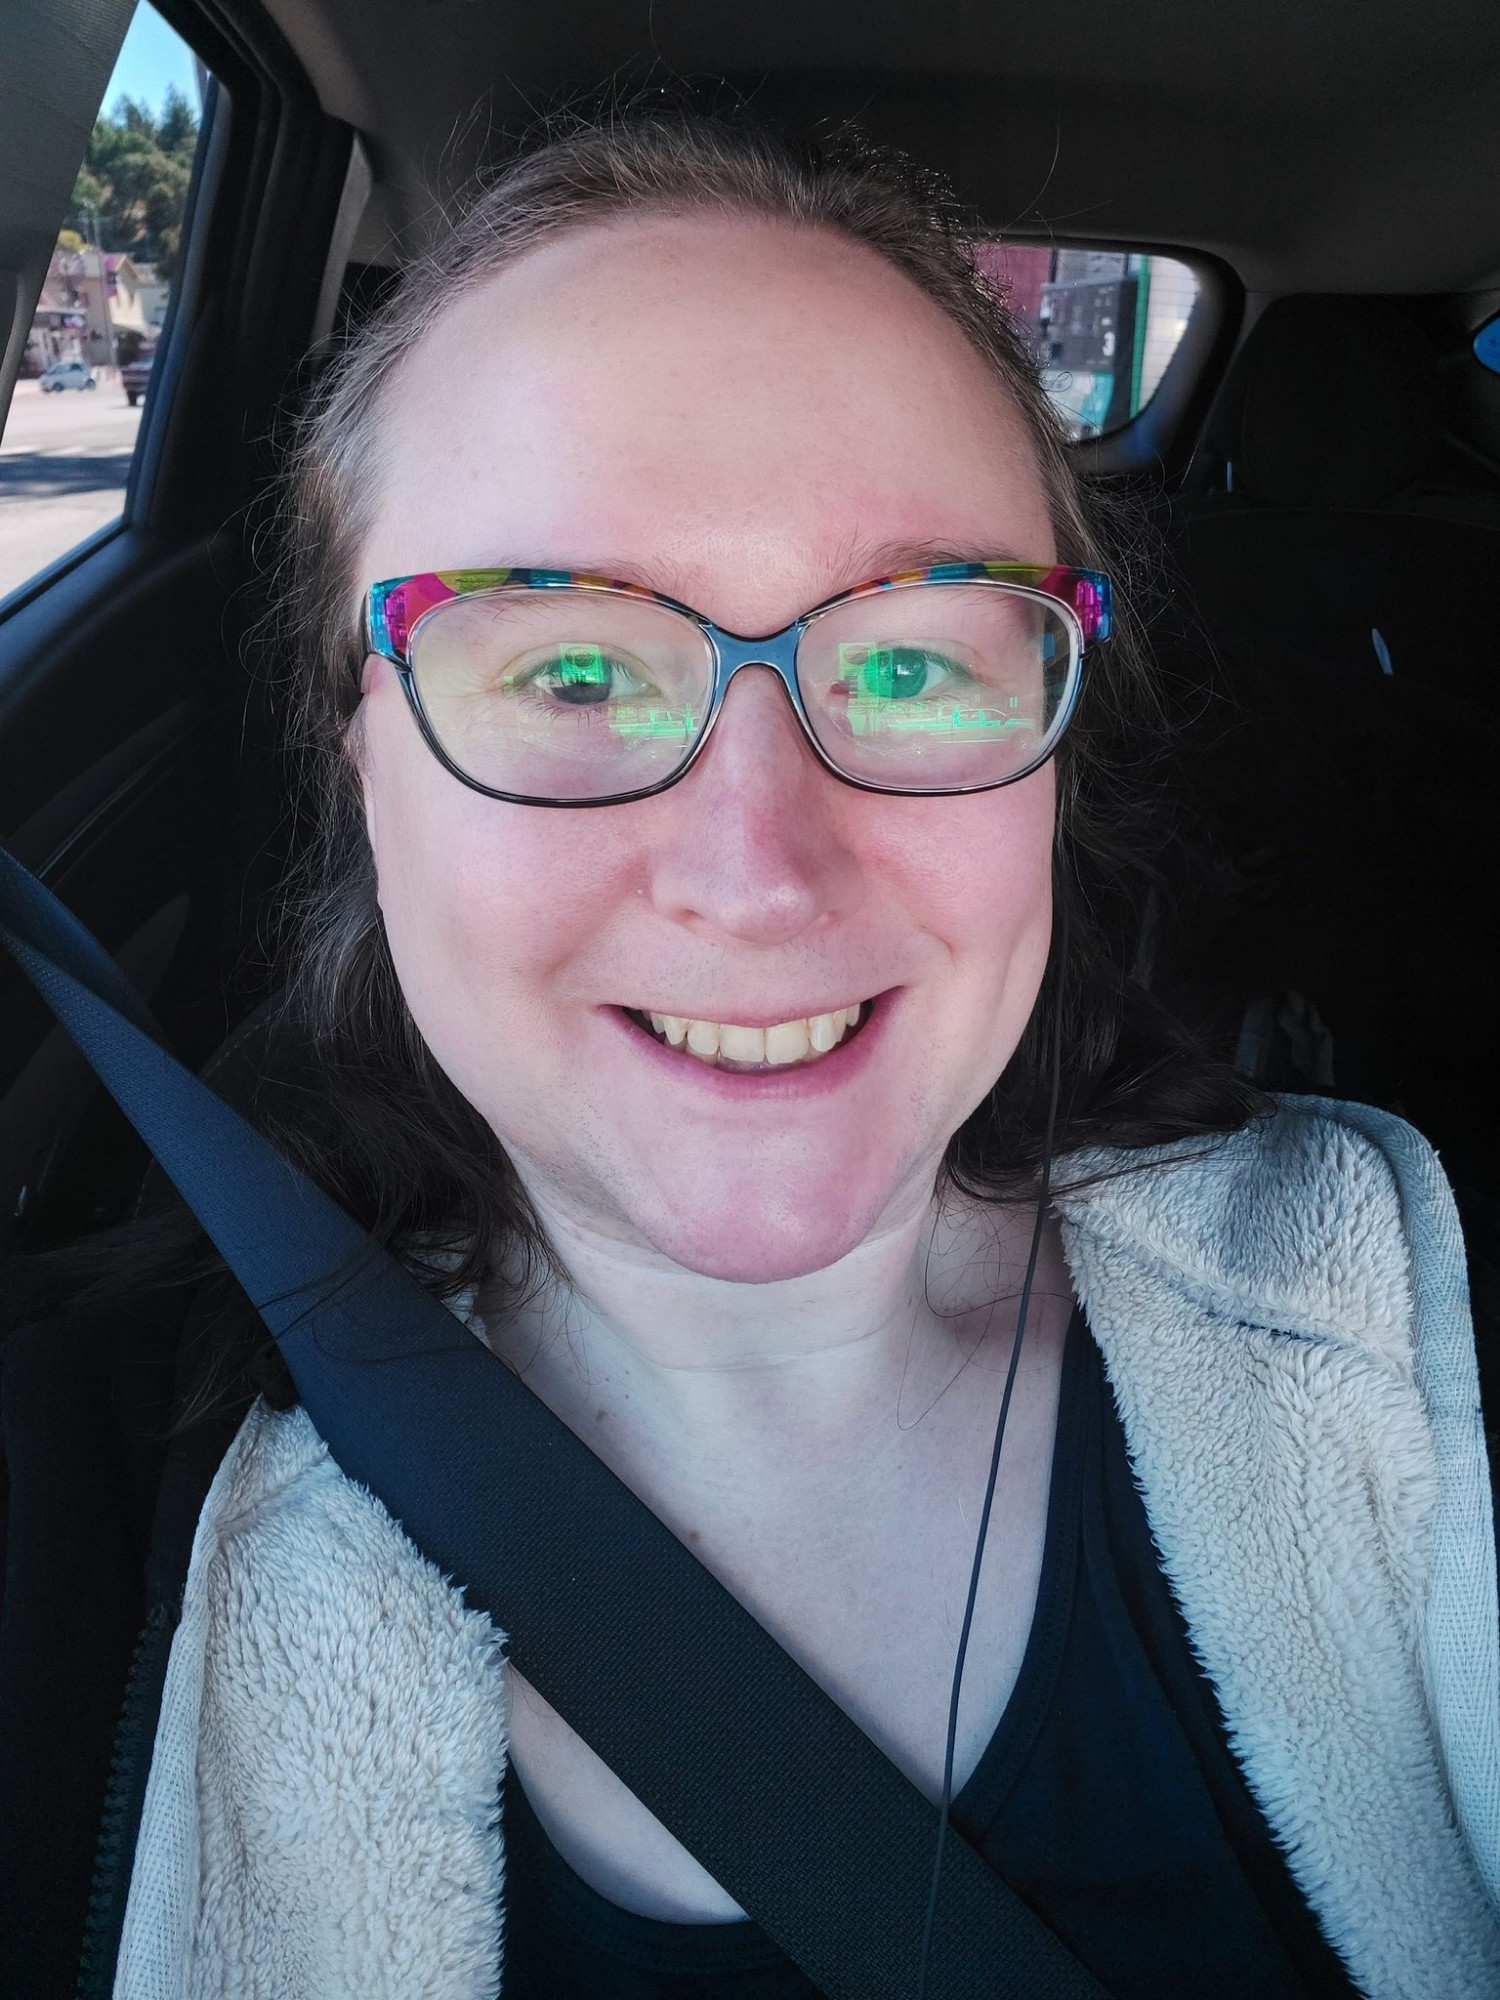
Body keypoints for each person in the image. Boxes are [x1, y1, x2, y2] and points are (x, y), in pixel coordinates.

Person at [2, 114, 1497, 2000]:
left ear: (1053, 744)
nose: (758, 876)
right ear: (357, 752)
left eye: (907, 663)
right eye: (564, 670)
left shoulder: (1420, 1325)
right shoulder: (76, 1560)